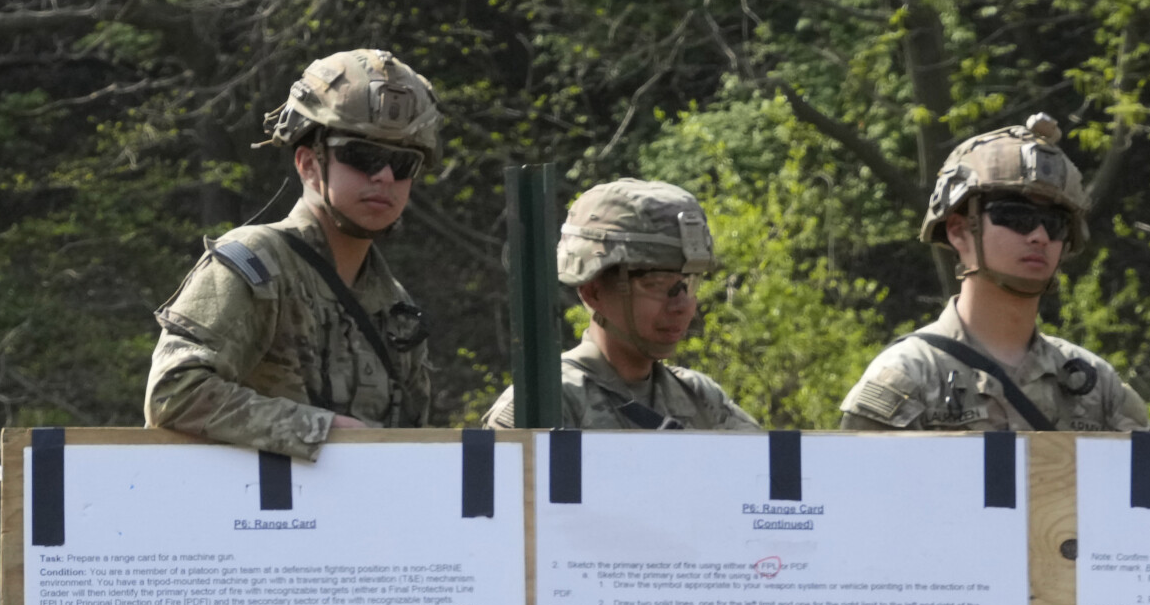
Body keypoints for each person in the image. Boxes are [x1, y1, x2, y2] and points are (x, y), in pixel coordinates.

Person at [143, 49, 439, 459]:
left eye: (403, 163)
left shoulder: (396, 307)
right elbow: (172, 393)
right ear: (308, 163)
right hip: (249, 519)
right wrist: (322, 431)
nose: (384, 176)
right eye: (362, 156)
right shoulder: (255, 265)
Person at [838, 114, 1144, 434]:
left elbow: (1144, 481)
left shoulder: (1097, 387)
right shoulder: (906, 380)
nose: (1039, 236)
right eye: (1014, 215)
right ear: (959, 230)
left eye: (1054, 223)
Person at [481, 180, 758, 431]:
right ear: (593, 290)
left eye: (689, 284)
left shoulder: (700, 399)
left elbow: (769, 476)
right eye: (657, 284)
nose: (682, 305)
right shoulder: (542, 408)